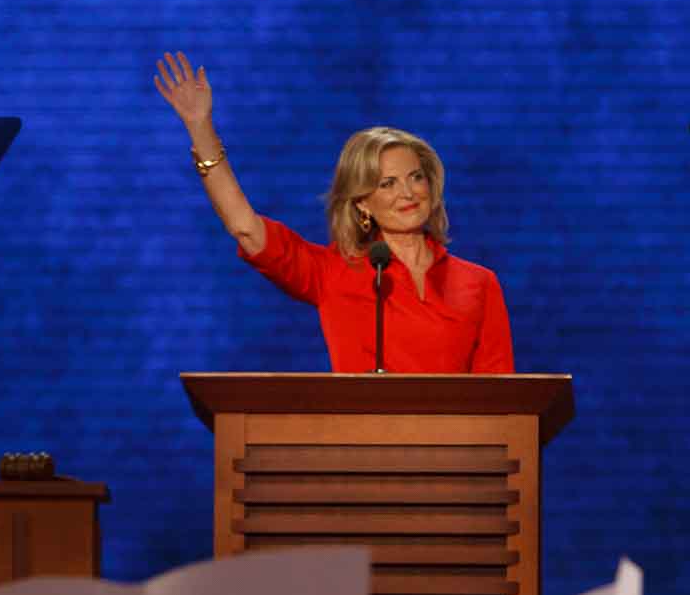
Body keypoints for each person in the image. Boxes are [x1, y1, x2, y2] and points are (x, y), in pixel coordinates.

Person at [153, 51, 515, 374]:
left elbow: (501, 402)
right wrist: (201, 128)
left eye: (415, 177)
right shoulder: (333, 273)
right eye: (386, 184)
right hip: (360, 447)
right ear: (361, 202)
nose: (407, 192)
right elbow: (245, 228)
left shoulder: (479, 284)